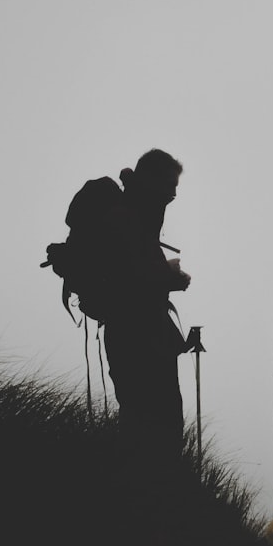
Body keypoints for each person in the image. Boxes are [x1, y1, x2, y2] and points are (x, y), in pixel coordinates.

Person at [101, 149, 191, 482]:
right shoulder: (129, 217)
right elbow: (131, 279)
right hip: (139, 338)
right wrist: (171, 277)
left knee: (142, 421)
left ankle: (145, 495)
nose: (174, 193)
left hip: (135, 335)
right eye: (169, 184)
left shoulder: (137, 214)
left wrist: (164, 274)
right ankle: (150, 502)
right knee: (155, 425)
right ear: (151, 180)